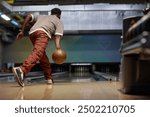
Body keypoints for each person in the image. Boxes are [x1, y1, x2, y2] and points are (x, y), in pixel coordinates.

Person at [12, 8, 64, 87]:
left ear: (51, 13)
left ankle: (49, 78)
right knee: (38, 53)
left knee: (42, 56)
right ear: (59, 15)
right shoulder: (58, 21)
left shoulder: (42, 16)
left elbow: (29, 16)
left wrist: (22, 31)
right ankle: (21, 70)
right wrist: (58, 50)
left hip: (32, 33)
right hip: (43, 33)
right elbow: (57, 38)